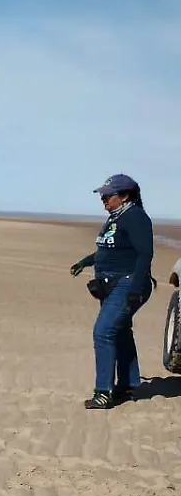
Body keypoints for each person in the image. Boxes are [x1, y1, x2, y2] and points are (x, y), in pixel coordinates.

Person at [69, 173, 154, 409]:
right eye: (102, 195)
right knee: (120, 331)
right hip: (112, 284)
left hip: (127, 283)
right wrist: (85, 262)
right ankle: (127, 384)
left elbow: (145, 254)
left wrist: (135, 289)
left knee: (103, 332)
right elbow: (110, 249)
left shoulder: (135, 217)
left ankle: (103, 393)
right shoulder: (116, 217)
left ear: (125, 196)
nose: (104, 199)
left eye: (108, 195)